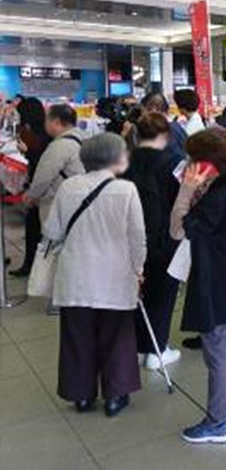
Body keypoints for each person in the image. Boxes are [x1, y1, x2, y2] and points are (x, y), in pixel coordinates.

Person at [45, 133, 146, 417]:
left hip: (76, 274)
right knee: (117, 336)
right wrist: (139, 268)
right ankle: (115, 396)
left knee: (77, 337)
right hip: (115, 275)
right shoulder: (126, 190)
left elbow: (52, 231)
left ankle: (82, 396)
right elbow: (137, 238)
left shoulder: (68, 187)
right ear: (114, 158)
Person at [171, 128, 226, 444]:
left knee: (217, 355)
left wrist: (185, 191)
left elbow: (178, 230)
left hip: (216, 285)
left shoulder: (218, 197)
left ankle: (217, 422)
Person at [125, 113, 182, 369]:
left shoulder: (124, 160)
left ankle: (138, 345)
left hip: (130, 236)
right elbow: (182, 202)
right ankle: (157, 349)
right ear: (166, 135)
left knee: (137, 291)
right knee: (164, 292)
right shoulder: (175, 162)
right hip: (164, 237)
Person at [9, 97, 51, 277]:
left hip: (41, 189)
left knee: (36, 227)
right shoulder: (38, 131)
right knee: (34, 227)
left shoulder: (39, 135)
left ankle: (32, 266)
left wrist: (27, 151)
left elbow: (42, 162)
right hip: (38, 186)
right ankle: (31, 265)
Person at [26, 104, 84, 226]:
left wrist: (31, 196)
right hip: (77, 203)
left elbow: (43, 177)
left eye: (46, 119)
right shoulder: (82, 140)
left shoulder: (59, 146)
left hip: (58, 207)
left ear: (56, 122)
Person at [141, 92, 187, 160]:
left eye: (143, 110)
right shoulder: (175, 127)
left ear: (153, 109)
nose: (142, 115)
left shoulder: (166, 131)